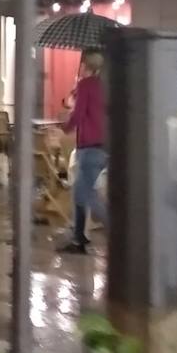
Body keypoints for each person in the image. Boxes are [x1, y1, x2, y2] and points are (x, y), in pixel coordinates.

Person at [60, 48, 107, 254]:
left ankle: (117, 230)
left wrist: (65, 127)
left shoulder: (86, 85)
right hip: (105, 146)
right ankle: (79, 239)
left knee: (85, 194)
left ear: (85, 64)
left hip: (89, 147)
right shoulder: (106, 85)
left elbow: (78, 115)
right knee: (82, 192)